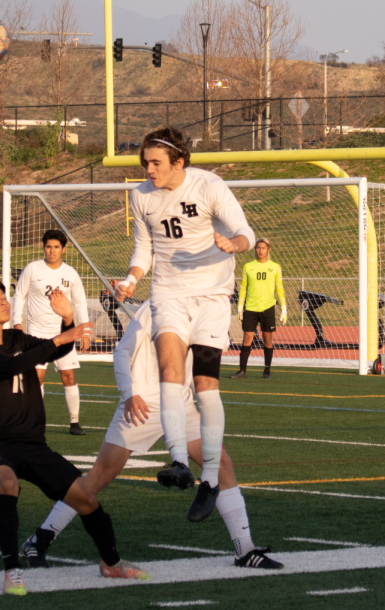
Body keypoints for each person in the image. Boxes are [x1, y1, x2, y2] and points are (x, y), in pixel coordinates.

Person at [20, 301, 284, 570]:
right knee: (97, 479)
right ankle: (39, 540)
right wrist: (130, 394)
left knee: (222, 465)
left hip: (181, 404)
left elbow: (200, 364)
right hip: (143, 404)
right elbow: (122, 351)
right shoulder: (157, 305)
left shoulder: (212, 307)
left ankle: (245, 549)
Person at [0, 277, 148, 596]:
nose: (3, 300)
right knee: (7, 483)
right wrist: (61, 337)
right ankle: (11, 571)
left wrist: (68, 319)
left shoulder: (16, 337)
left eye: (4, 295)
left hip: (32, 445)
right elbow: (10, 366)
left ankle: (111, 563)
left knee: (86, 498)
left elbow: (60, 349)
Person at [114, 126, 254, 522]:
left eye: (156, 162)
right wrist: (130, 279)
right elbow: (144, 247)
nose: (149, 170)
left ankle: (210, 477)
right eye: (145, 162)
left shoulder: (209, 185)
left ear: (179, 161)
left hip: (211, 297)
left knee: (207, 388)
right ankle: (178, 460)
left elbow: (245, 231)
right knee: (170, 371)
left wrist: (235, 244)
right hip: (168, 293)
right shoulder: (140, 195)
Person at [12, 229, 90, 436]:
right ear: (43, 247)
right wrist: (16, 322)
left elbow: (80, 302)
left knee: (68, 376)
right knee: (36, 377)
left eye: (56, 247)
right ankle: (35, 421)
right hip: (36, 334)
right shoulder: (32, 269)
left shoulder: (71, 273)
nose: (52, 251)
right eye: (48, 246)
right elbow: (19, 295)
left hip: (64, 333)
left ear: (63, 249)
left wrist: (85, 331)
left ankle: (75, 422)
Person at [231, 237, 287, 379]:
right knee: (247, 337)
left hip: (268, 308)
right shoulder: (248, 266)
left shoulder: (275, 267)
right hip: (250, 308)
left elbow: (279, 288)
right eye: (258, 248)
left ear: (268, 250)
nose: (260, 250)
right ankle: (242, 370)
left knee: (267, 338)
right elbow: (243, 288)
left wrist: (284, 307)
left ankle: (267, 371)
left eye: (263, 248)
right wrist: (240, 307)